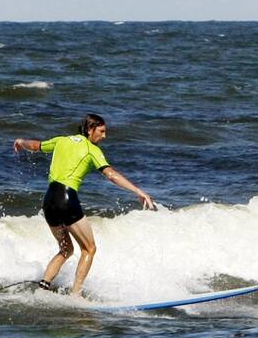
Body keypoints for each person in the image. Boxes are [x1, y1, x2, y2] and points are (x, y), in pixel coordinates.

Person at [13, 113, 155, 296]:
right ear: (90, 129)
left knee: (65, 250)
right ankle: (76, 294)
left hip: (49, 201)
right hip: (66, 198)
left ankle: (43, 288)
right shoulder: (91, 150)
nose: (104, 136)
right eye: (101, 131)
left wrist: (20, 141)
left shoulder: (61, 141)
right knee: (89, 248)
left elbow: (35, 146)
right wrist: (138, 191)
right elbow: (110, 174)